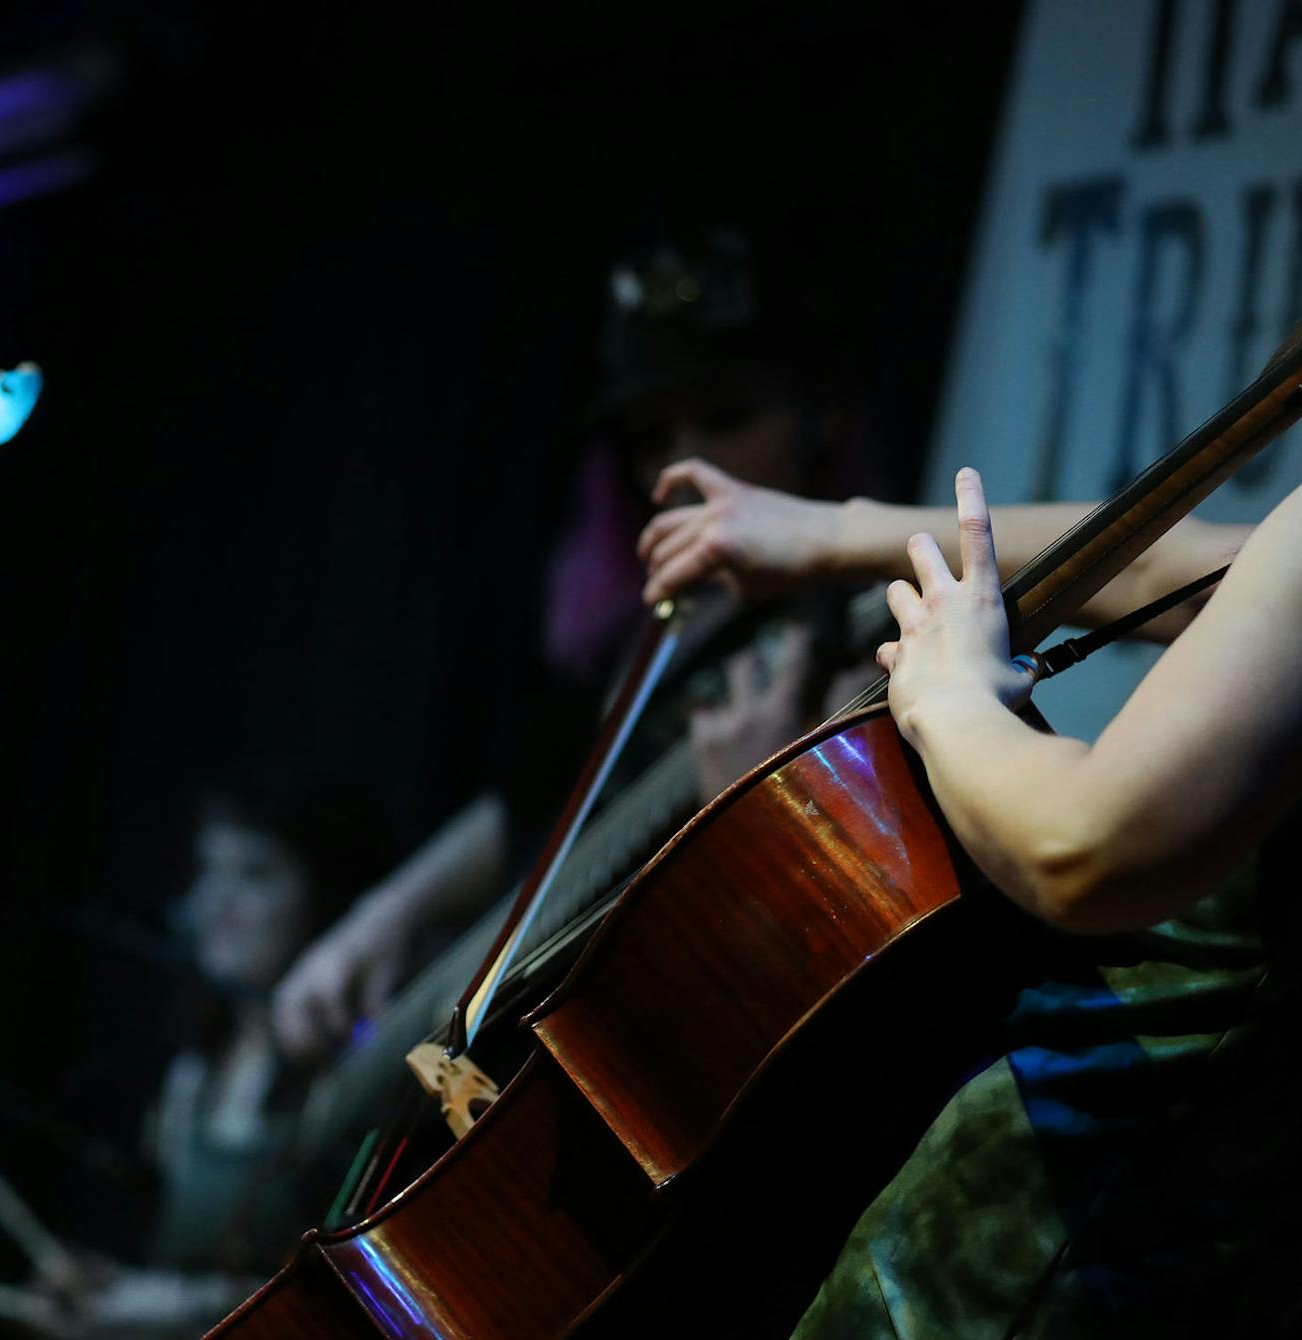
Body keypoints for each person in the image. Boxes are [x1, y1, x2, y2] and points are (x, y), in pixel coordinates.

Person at [638, 219, 1302, 1333]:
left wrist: (954, 696)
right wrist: (829, 531)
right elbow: (1158, 560)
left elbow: (1084, 849)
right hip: (1266, 1254)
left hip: (1052, 1248)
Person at [270, 232, 881, 1064]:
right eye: (649, 439)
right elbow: (531, 802)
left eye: (726, 416)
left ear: (825, 420)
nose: (683, 465)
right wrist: (380, 918)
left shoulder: (846, 632)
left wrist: (763, 817)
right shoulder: (638, 639)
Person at [41, 780, 393, 1337]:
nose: (214, 904)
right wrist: (111, 1284)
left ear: (324, 895)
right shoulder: (193, 1069)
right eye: (209, 870)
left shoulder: (360, 1072)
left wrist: (170, 1304)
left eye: (255, 874)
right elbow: (179, 1263)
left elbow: (354, 1297)